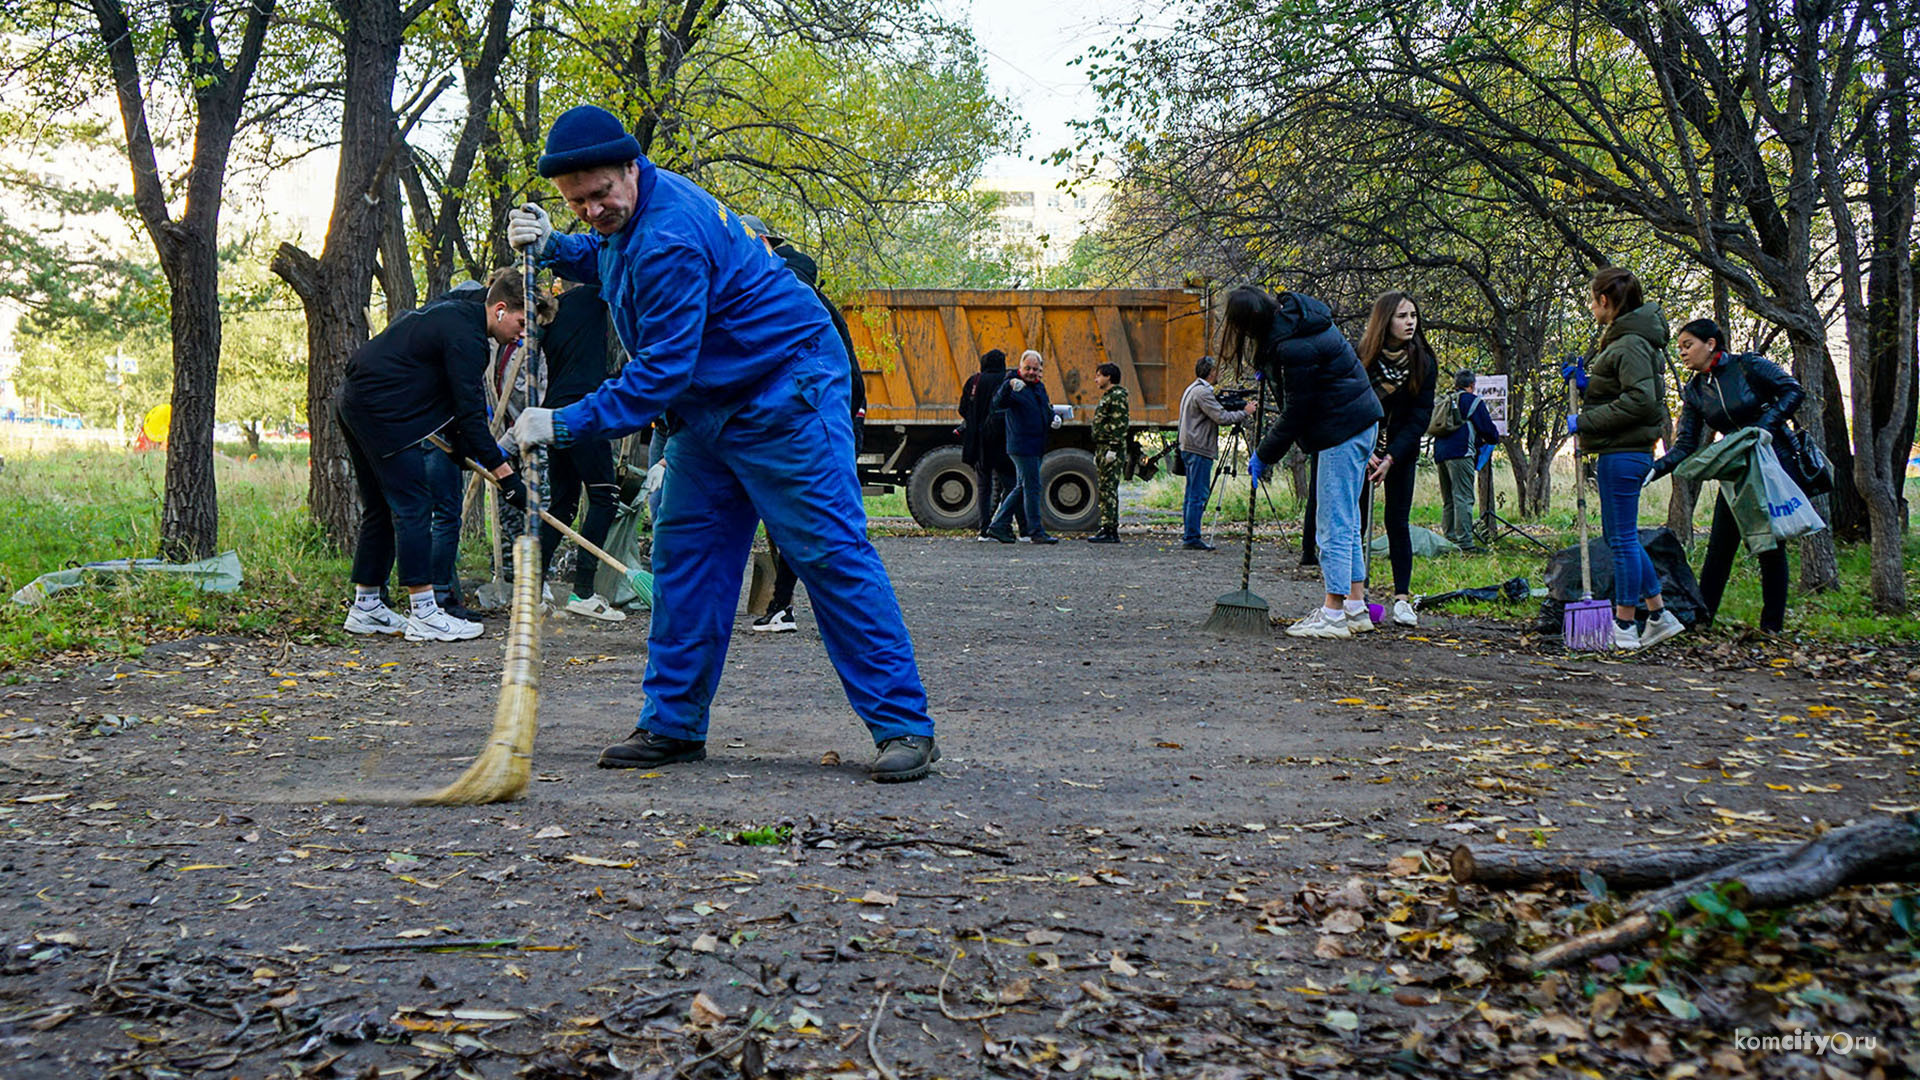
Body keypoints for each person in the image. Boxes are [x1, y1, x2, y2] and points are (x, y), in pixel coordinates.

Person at [505, 104, 938, 782]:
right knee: (687, 562)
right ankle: (673, 727)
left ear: (630, 167)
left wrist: (560, 423)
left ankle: (904, 727)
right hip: (709, 407)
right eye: (575, 201)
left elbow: (657, 376)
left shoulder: (672, 234)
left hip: (783, 393)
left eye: (600, 194)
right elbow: (608, 250)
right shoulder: (633, 214)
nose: (592, 209)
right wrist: (555, 242)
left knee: (826, 554)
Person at [337, 267, 529, 642]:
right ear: (501, 309)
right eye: (522, 323)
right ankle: (424, 611)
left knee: (380, 508)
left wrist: (459, 447)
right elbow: (473, 416)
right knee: (413, 506)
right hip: (382, 410)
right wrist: (507, 477)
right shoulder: (469, 337)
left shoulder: (466, 313)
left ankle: (366, 606)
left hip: (356, 400)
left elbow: (456, 409)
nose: (522, 334)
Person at [1230, 287, 1383, 639]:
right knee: (1348, 516)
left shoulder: (1293, 345)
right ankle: (1355, 608)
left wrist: (1264, 453)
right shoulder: (1297, 322)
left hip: (1340, 430)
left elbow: (1299, 411)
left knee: (1333, 522)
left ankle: (1332, 614)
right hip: (1358, 422)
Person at [737, 214, 865, 633]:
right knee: (810, 520)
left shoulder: (783, 291)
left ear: (764, 244)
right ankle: (786, 606)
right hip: (828, 420)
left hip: (811, 423)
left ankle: (788, 607)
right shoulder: (804, 289)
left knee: (811, 523)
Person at [1647, 318, 1802, 632]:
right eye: (1679, 349)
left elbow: (1793, 390)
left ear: (1711, 343)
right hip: (1736, 469)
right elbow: (1686, 445)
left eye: (1688, 345)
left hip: (1773, 462)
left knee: (1770, 547)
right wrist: (1654, 469)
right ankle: (1702, 622)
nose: (1683, 354)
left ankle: (1771, 629)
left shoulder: (1748, 366)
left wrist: (1764, 427)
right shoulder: (1694, 390)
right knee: (1720, 545)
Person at [1563, 266, 1684, 651]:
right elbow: (1621, 388)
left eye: (1591, 299)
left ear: (1604, 301)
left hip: (1625, 452)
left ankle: (1625, 625)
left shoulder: (1630, 342)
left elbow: (1640, 401)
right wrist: (1587, 384)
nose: (1590, 307)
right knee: (1623, 539)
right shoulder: (1626, 340)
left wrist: (1583, 420)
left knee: (1622, 541)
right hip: (1623, 449)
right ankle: (1660, 616)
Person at [518, 279, 627, 622]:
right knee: (605, 497)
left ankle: (532, 592)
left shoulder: (552, 316)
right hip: (584, 412)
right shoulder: (593, 293)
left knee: (563, 506)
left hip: (555, 413)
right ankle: (582, 592)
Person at [1356, 291, 1437, 628]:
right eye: (1403, 316)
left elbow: (1421, 417)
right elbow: (1353, 404)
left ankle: (1402, 600)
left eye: (1413, 316)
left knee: (1397, 522)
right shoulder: (1363, 357)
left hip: (1401, 450)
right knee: (1355, 523)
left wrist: (1391, 456)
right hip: (1362, 448)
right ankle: (1355, 595)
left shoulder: (1423, 360)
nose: (1410, 323)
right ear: (1385, 320)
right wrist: (1369, 451)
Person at [1177, 355, 1253, 551]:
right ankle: (1192, 537)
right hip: (1199, 447)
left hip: (1190, 445)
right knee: (1198, 494)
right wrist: (1246, 411)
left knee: (1191, 493)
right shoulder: (1203, 393)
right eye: (1216, 371)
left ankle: (1190, 534)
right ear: (1211, 373)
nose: (1218, 374)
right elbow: (1221, 417)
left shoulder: (1193, 388)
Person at [984, 350, 1060, 544]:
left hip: (1036, 444)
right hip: (1022, 445)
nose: (1031, 372)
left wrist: (1053, 418)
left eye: (1035, 369)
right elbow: (997, 404)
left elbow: (1044, 408)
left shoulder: (1038, 387)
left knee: (1022, 486)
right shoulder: (1014, 384)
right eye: (1027, 368)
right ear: (1020, 367)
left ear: (1040, 369)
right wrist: (1008, 386)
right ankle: (1036, 531)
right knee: (1032, 487)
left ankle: (997, 526)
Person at [1430, 369, 1502, 552]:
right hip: (1461, 453)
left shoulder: (1446, 400)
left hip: (1440, 454)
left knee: (1449, 499)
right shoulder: (1472, 401)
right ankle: (1465, 544)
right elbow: (1489, 429)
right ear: (1472, 385)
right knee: (1463, 497)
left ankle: (1449, 540)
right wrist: (1493, 439)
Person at [958, 349, 1009, 539]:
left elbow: (963, 408)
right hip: (1003, 439)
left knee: (984, 485)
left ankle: (984, 528)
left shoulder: (974, 381)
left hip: (979, 442)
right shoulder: (1006, 380)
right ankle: (1011, 525)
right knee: (1010, 484)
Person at [1088, 361, 1129, 543]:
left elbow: (1119, 424)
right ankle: (1107, 526)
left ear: (1108, 377)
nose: (1096, 379)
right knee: (1105, 489)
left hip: (1111, 448)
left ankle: (1110, 529)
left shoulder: (1117, 396)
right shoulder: (1109, 396)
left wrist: (1113, 449)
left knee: (1109, 489)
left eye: (1099, 375)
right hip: (1103, 447)